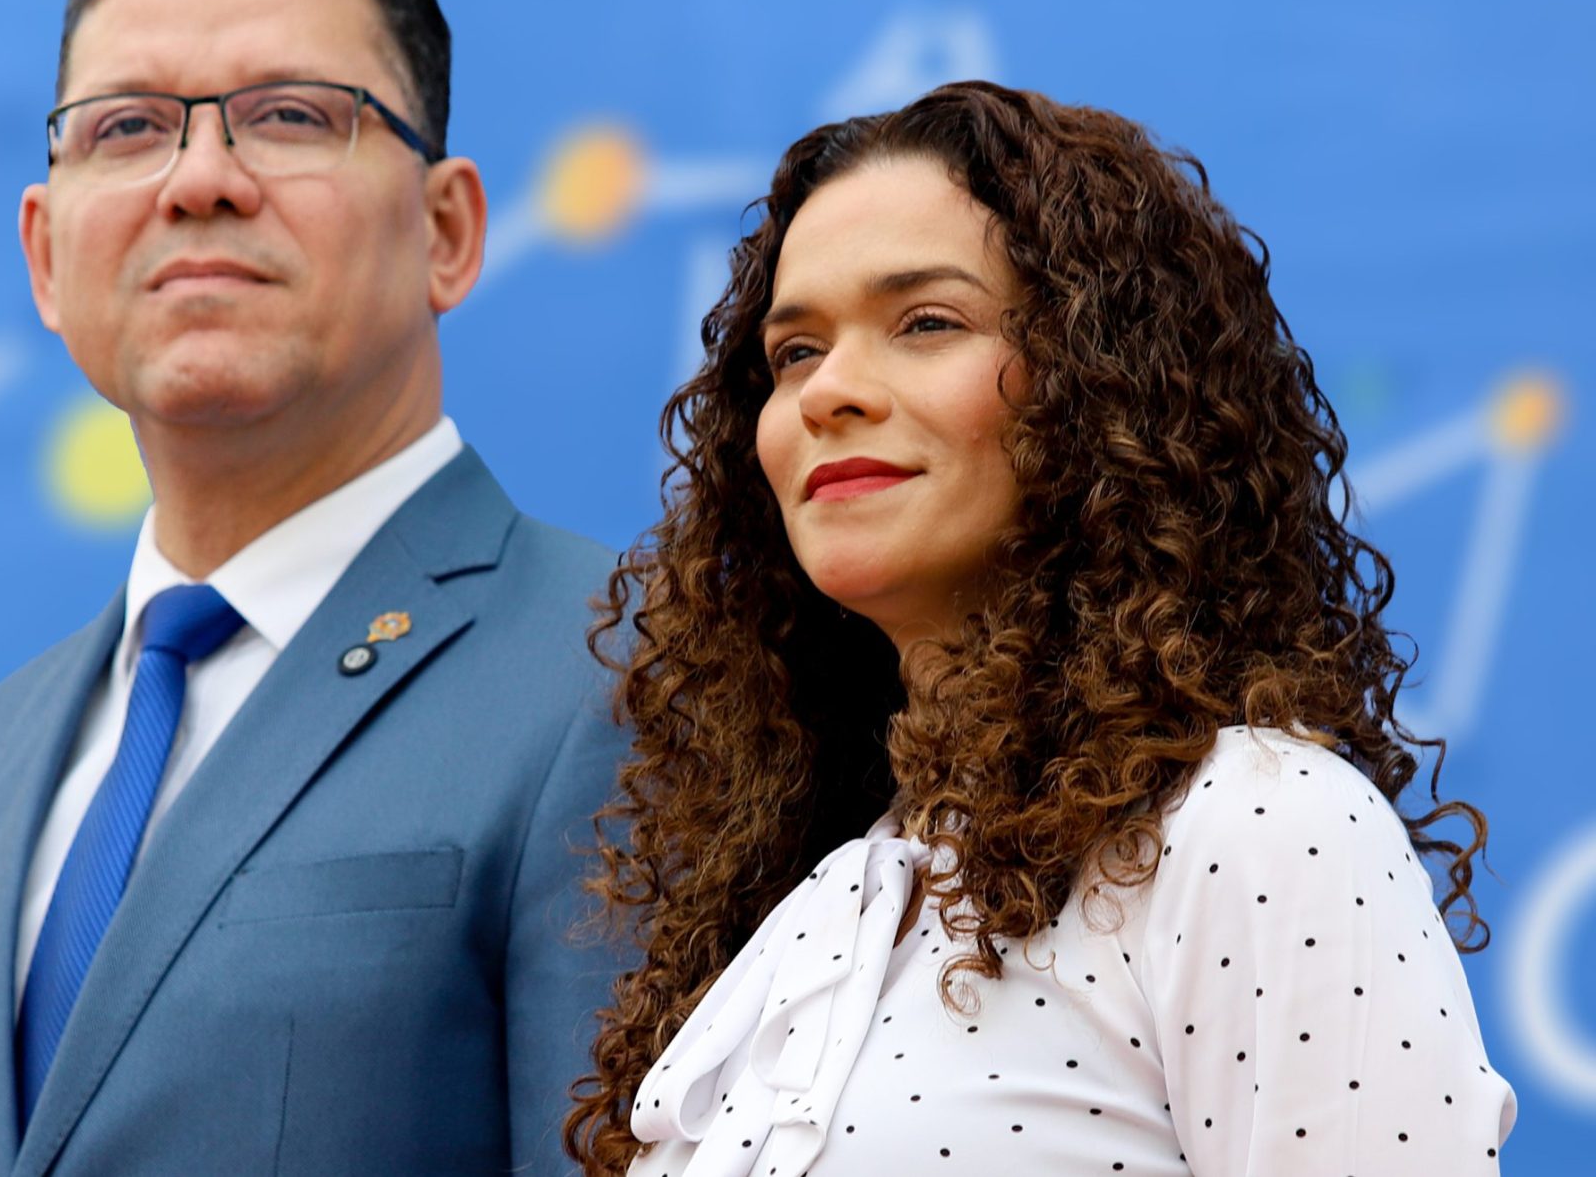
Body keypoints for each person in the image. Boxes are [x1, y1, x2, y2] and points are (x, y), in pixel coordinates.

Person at [0, 0, 626, 1177]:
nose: (198, 180)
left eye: (289, 115)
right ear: (44, 255)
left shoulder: (628, 678)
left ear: (448, 230)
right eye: (127, 128)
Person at [566, 82, 1516, 1176]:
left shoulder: (1257, 824)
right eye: (795, 352)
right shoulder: (816, 896)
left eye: (927, 323)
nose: (829, 392)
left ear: (1104, 383)